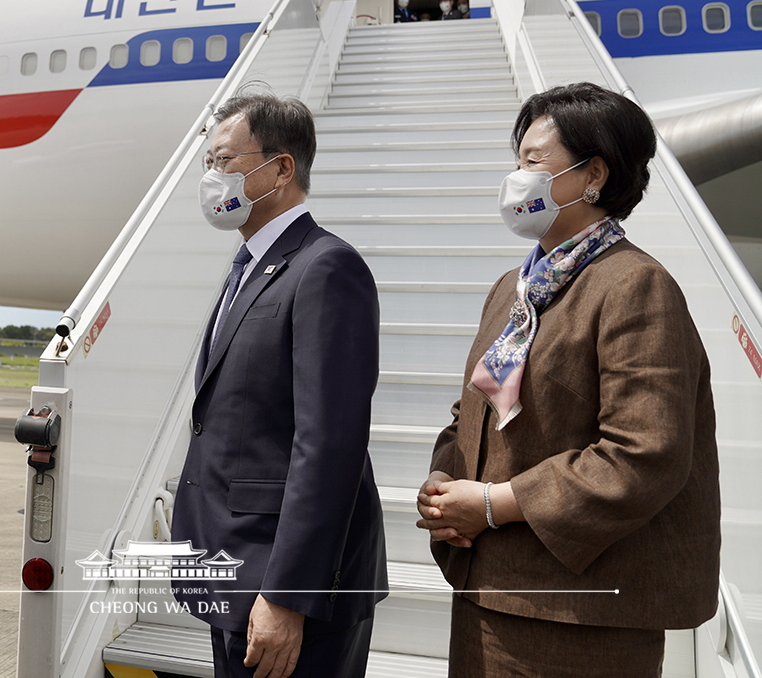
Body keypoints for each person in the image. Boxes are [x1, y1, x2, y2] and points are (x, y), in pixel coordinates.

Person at [416, 82, 720, 677]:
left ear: (593, 176)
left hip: (579, 612)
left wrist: (494, 503)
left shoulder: (634, 285)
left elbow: (644, 454)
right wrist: (445, 481)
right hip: (490, 585)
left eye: (534, 162)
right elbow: (474, 409)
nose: (517, 178)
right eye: (517, 161)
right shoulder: (515, 287)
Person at [171, 94, 387, 678]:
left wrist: (287, 594)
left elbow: (329, 446)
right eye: (207, 164)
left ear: (282, 168)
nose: (212, 178)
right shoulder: (250, 265)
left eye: (223, 160)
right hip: (235, 571)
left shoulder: (325, 267)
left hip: (288, 589)